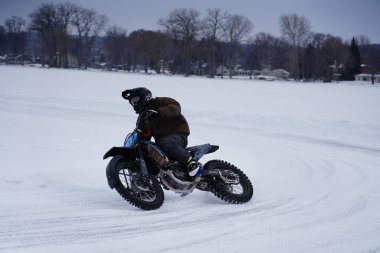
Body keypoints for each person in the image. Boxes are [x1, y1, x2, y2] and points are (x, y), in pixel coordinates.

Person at [121, 87, 201, 176]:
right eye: (132, 101)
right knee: (148, 150)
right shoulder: (142, 118)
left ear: (144, 97)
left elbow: (176, 107)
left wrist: (159, 112)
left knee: (164, 143)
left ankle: (192, 163)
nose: (134, 103)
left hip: (177, 133)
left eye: (136, 99)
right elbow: (143, 136)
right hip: (162, 140)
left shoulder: (159, 102)